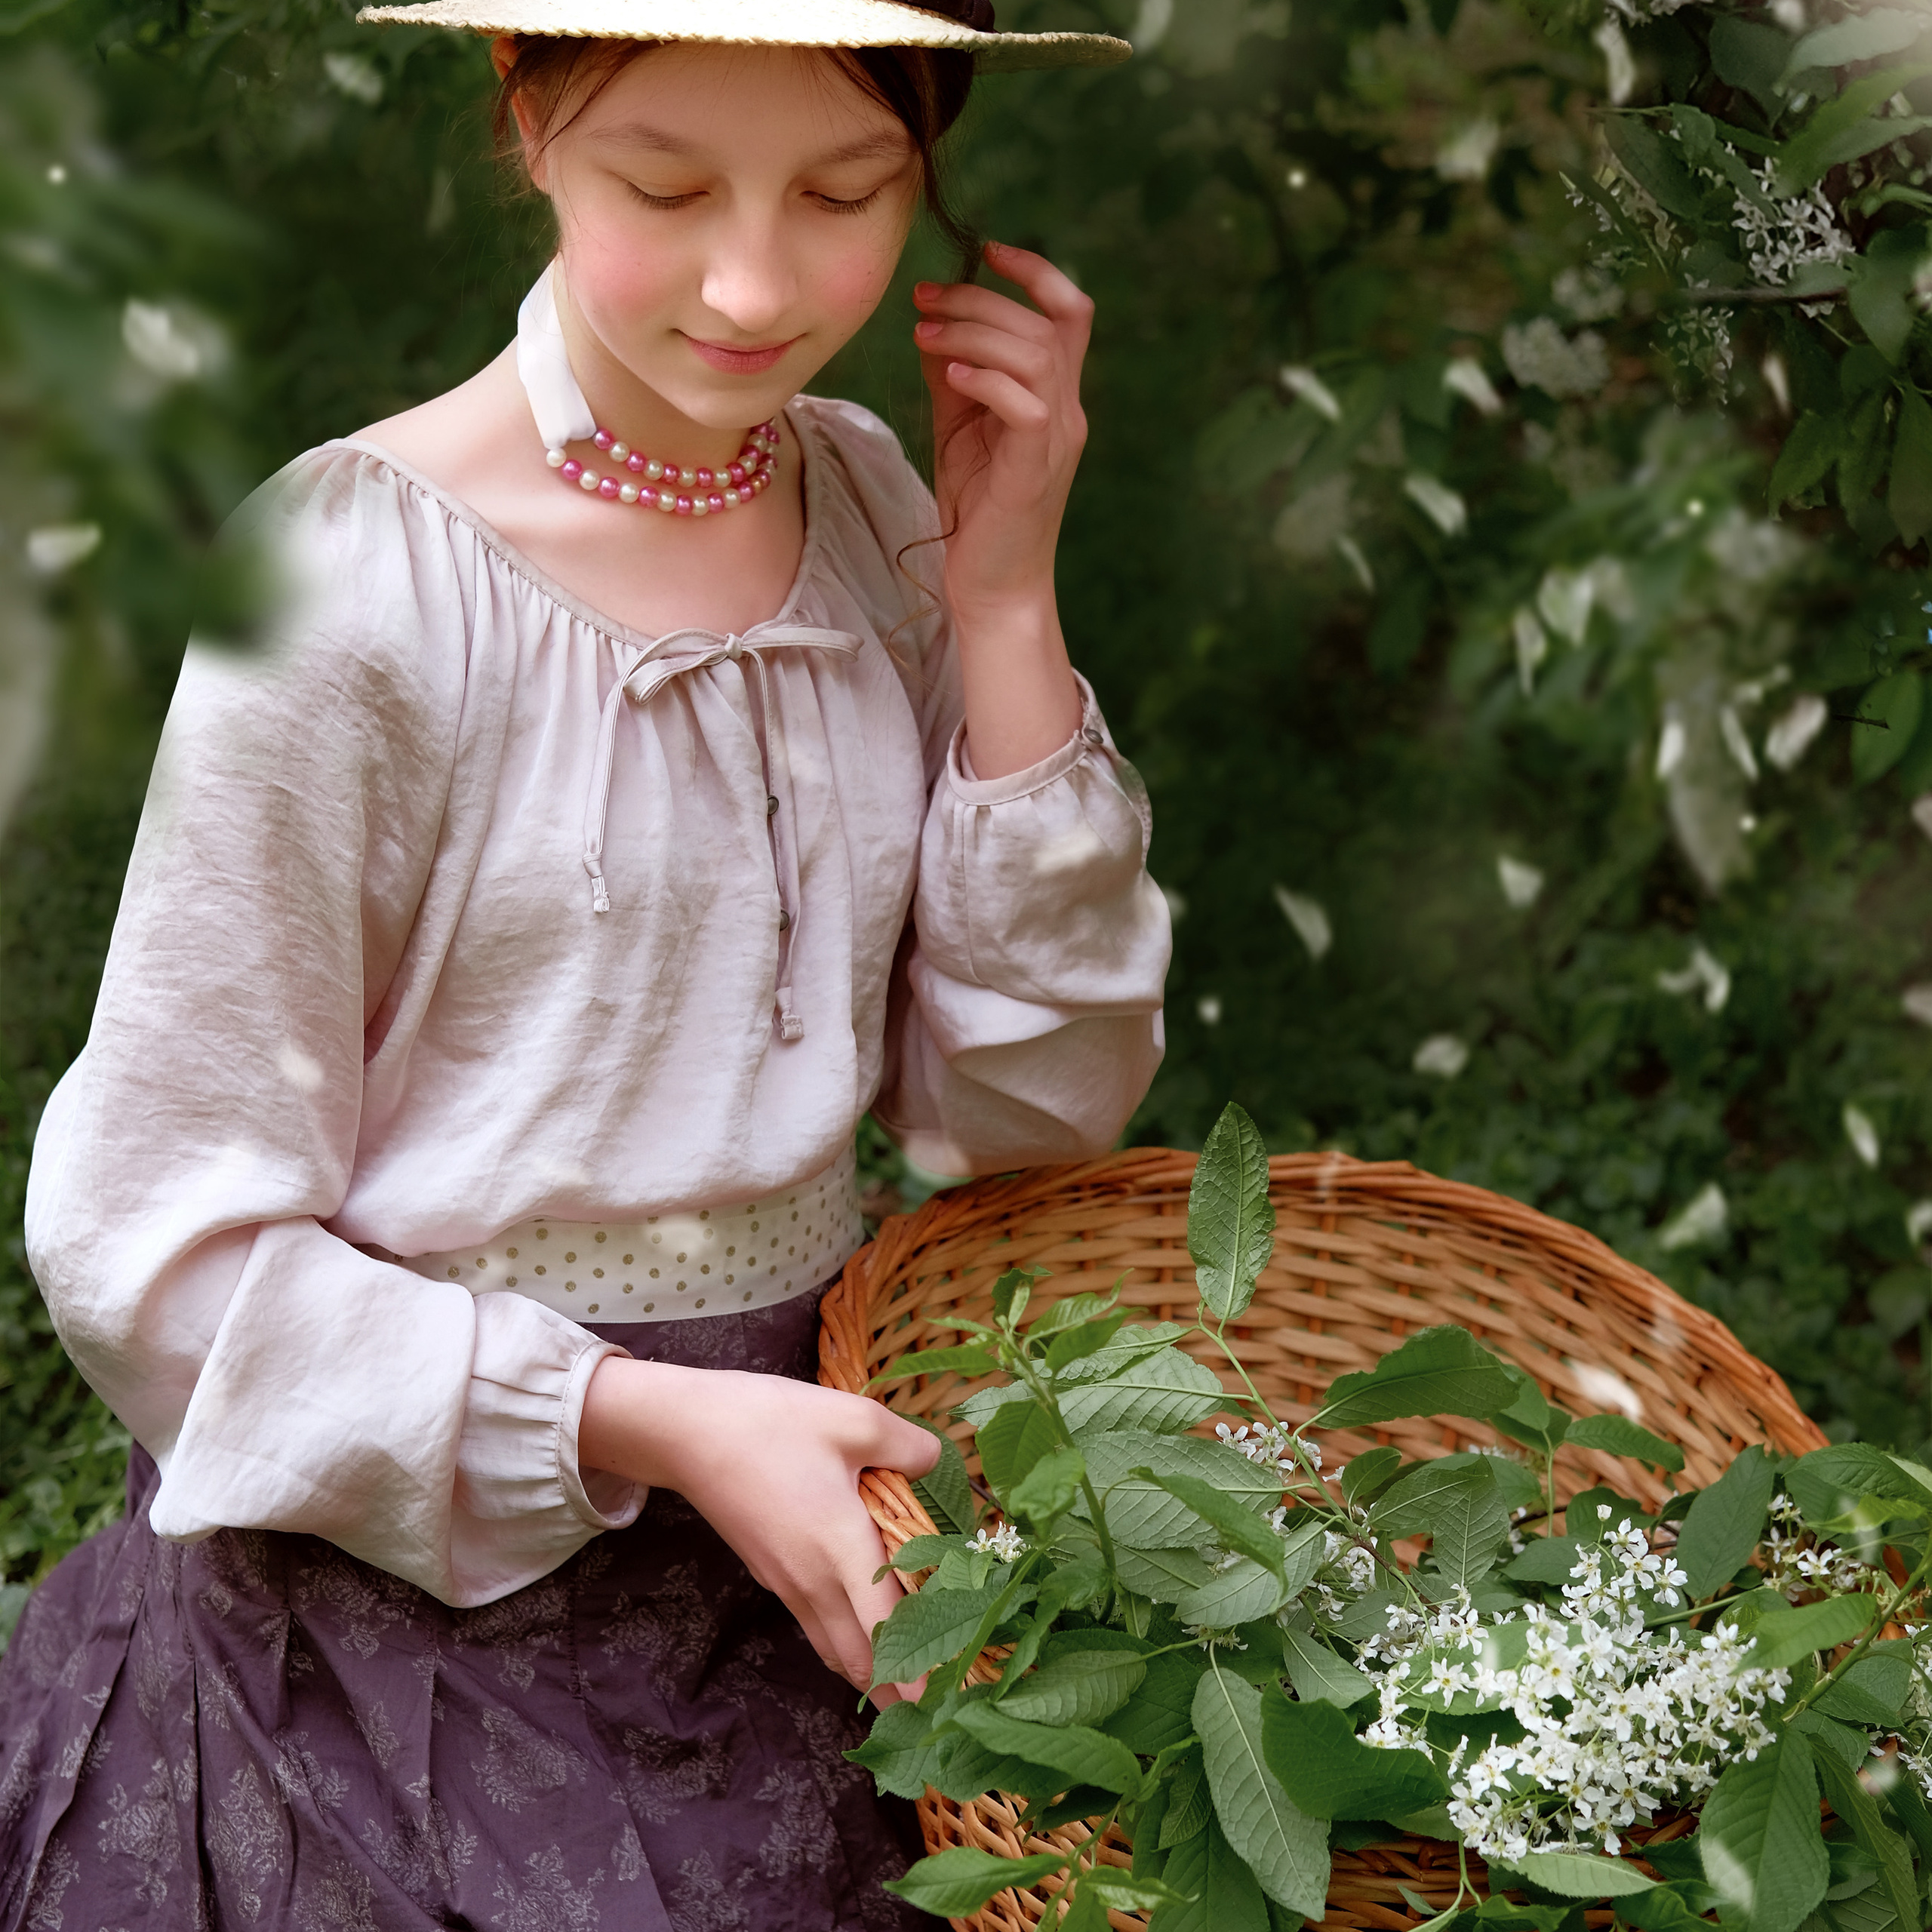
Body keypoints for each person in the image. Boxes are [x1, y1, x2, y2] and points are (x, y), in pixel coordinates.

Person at [0, 0, 1170, 1922]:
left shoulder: (878, 509)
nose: (751, 277)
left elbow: (1028, 1119)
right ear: (526, 113)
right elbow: (154, 1244)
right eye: (664, 181)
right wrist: (650, 1414)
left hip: (803, 1541)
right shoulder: (353, 583)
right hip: (388, 1623)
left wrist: (1001, 585)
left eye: (845, 190)